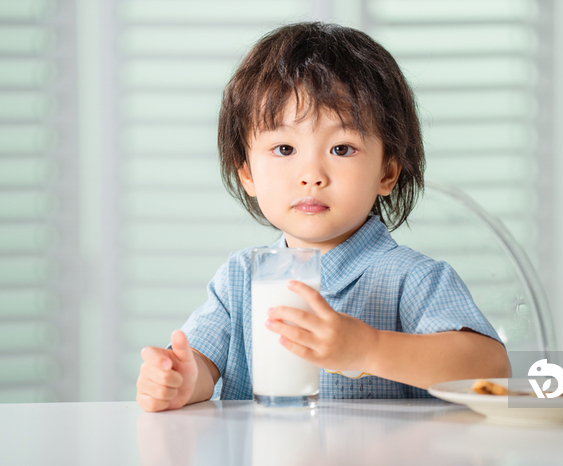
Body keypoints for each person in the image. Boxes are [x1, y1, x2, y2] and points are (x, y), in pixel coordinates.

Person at [136, 22, 509, 412]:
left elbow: (490, 368)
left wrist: (368, 349)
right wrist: (184, 378)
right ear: (247, 172)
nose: (311, 174)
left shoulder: (411, 279)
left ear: (387, 172)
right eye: (284, 148)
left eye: (342, 149)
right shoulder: (240, 279)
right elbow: (203, 364)